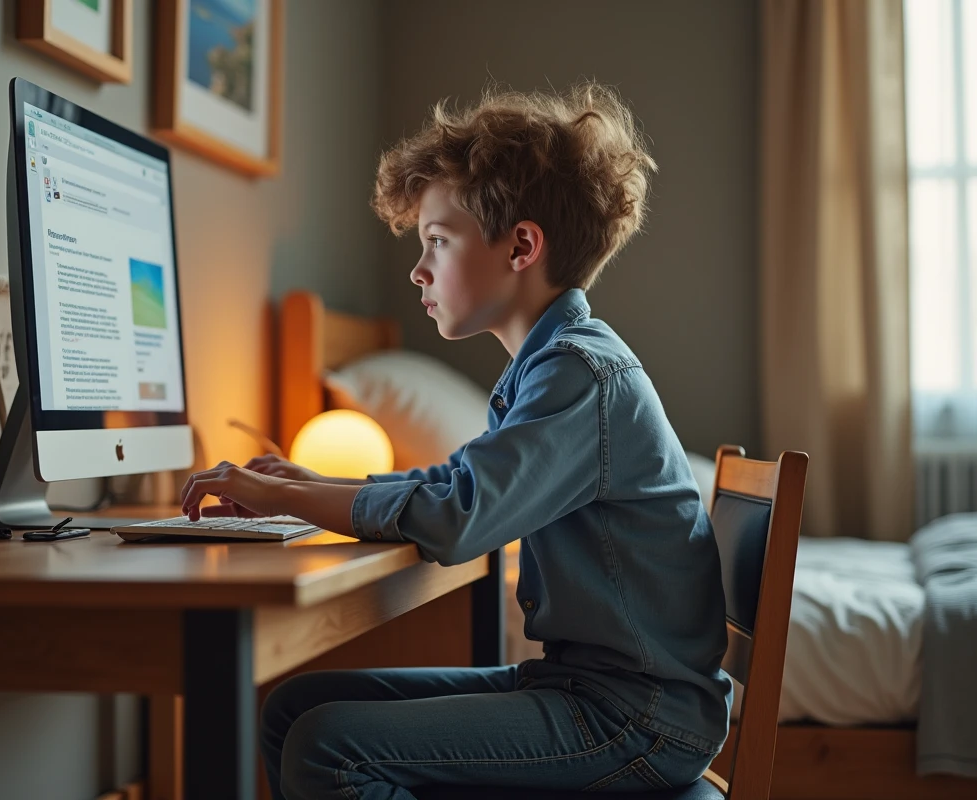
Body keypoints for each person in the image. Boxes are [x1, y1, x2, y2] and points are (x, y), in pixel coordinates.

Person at [180, 83, 732, 799]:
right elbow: (449, 484)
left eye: (437, 241)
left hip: (633, 717)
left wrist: (289, 494)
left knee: (328, 748)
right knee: (294, 709)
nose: (419, 269)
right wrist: (302, 487)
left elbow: (455, 517)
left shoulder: (578, 374)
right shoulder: (548, 366)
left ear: (521, 246)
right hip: (596, 689)